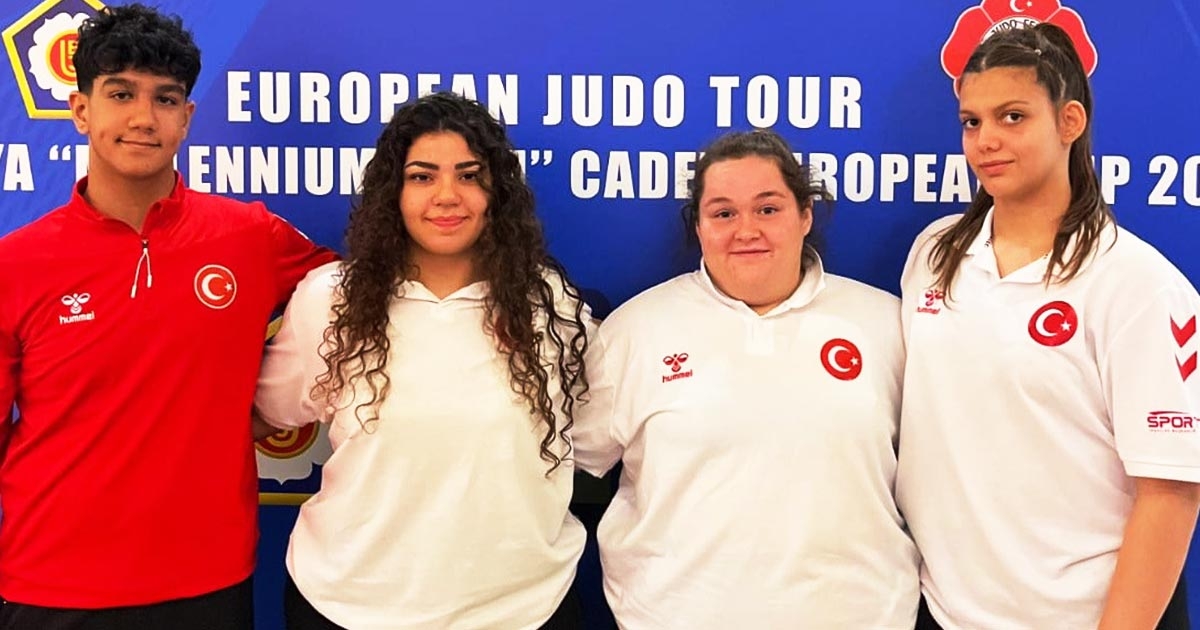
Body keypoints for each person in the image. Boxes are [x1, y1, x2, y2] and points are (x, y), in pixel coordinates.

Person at [0, 4, 336, 628]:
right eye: (120, 93)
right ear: (80, 110)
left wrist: (271, 403)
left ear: (186, 118)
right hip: (51, 585)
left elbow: (362, 295)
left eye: (165, 98)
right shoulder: (15, 264)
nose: (142, 117)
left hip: (209, 581)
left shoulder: (250, 236)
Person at [897, 23, 1200, 630]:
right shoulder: (934, 253)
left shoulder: (1139, 284)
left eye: (1013, 117)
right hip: (944, 610)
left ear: (1069, 122)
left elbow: (1172, 490)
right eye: (971, 122)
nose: (986, 140)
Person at [254, 91, 595, 630]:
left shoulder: (550, 303)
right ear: (393, 191)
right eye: (422, 176)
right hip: (350, 606)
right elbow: (269, 413)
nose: (446, 196)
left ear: (497, 191)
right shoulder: (331, 298)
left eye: (469, 175)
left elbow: (595, 433)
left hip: (522, 609)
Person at [572, 129, 920, 628]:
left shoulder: (887, 325)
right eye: (723, 213)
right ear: (699, 226)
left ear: (805, 215)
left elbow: (942, 475)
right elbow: (563, 466)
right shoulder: (635, 331)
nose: (746, 230)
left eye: (768, 208)